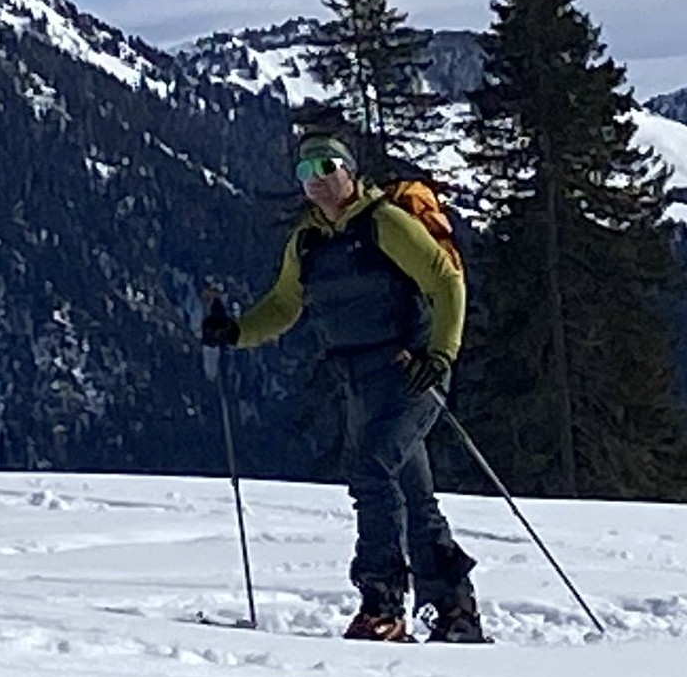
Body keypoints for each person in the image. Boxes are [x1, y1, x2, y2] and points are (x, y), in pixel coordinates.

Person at [202, 125, 482, 642]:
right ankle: (454, 611)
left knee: (372, 472)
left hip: (409, 374)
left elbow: (445, 281)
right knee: (412, 495)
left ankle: (382, 605)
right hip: (359, 382)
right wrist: (237, 332)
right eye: (306, 171)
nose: (317, 180)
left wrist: (441, 355)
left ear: (350, 172)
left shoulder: (387, 223)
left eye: (327, 167)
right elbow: (286, 305)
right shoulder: (307, 242)